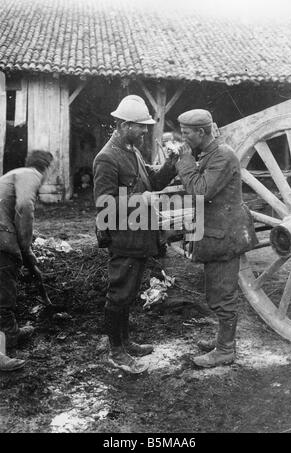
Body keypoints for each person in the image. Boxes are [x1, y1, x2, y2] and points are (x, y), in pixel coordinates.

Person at [93, 95, 177, 374]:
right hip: (124, 238)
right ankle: (115, 351)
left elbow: (152, 180)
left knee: (128, 294)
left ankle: (126, 342)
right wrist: (142, 199)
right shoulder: (106, 157)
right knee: (119, 294)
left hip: (139, 235)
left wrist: (173, 162)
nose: (145, 131)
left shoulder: (132, 150)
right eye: (140, 126)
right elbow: (104, 204)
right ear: (125, 125)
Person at [175, 109, 258, 368]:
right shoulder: (210, 153)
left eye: (186, 133)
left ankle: (225, 350)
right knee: (217, 292)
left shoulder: (222, 155)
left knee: (222, 295)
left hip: (225, 236)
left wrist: (185, 161)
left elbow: (201, 190)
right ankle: (223, 343)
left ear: (201, 132)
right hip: (218, 233)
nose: (183, 137)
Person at [0, 150, 53, 371]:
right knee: (2, 297)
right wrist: (25, 245)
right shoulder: (32, 174)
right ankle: (2, 351)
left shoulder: (13, 174)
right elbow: (24, 206)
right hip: (2, 240)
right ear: (47, 168)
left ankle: (11, 333)